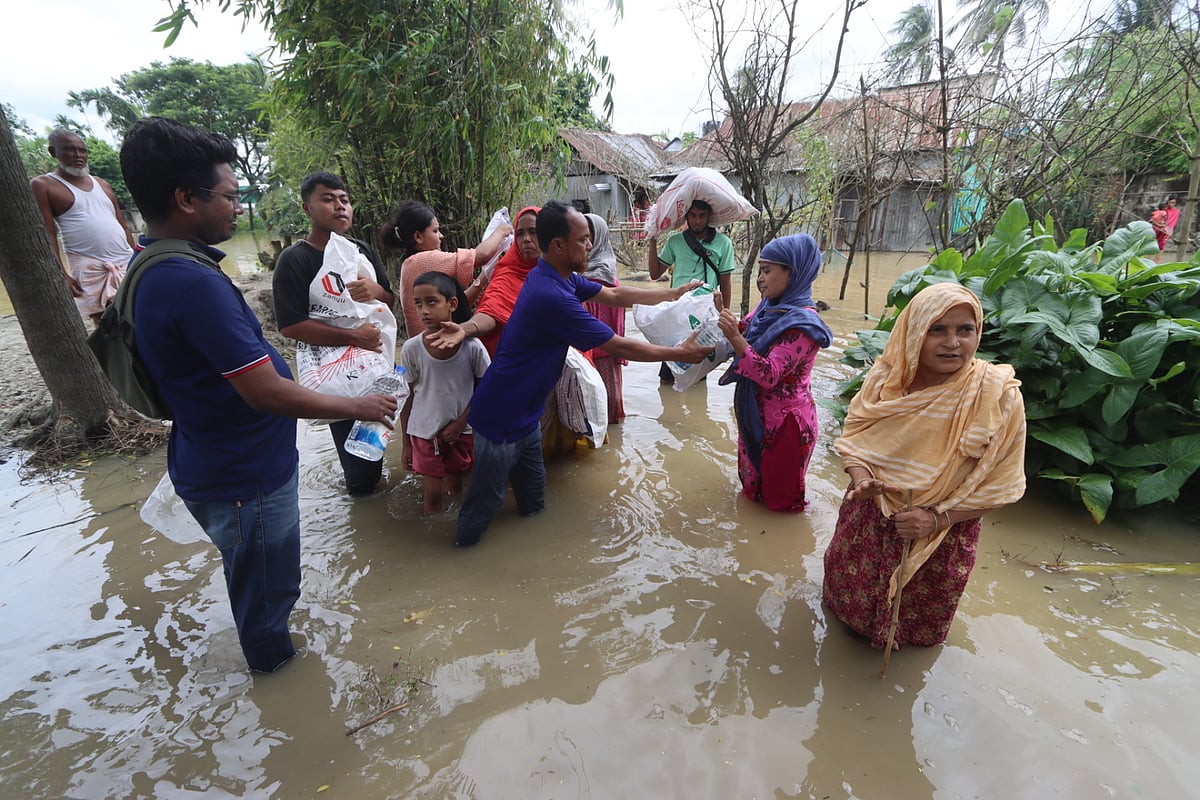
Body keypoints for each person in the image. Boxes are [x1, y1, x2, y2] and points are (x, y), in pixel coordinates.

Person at [119, 117, 397, 672]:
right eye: (227, 196)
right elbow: (266, 391)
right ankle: (283, 695)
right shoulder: (193, 283)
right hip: (245, 477)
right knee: (268, 602)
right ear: (185, 198)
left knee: (260, 588)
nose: (237, 208)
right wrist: (359, 406)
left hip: (215, 457)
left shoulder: (155, 265)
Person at [431, 200, 714, 548]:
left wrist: (670, 294)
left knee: (534, 504)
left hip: (528, 417)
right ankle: (460, 563)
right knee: (483, 506)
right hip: (501, 421)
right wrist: (679, 353)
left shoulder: (557, 275)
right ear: (559, 246)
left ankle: (532, 556)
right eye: (583, 239)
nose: (589, 246)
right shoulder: (552, 296)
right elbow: (619, 346)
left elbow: (613, 293)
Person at [822, 282, 1027, 649]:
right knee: (847, 614)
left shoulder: (997, 395)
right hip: (869, 520)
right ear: (915, 331)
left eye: (965, 329)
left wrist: (934, 520)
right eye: (938, 329)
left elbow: (1002, 485)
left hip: (942, 532)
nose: (953, 342)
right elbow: (855, 437)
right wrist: (863, 478)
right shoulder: (887, 381)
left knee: (915, 631)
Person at [272, 172, 396, 497]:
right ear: (306, 208)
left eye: (344, 199)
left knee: (377, 436)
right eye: (328, 199)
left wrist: (377, 291)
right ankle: (362, 497)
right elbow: (290, 325)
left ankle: (368, 500)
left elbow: (390, 301)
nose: (340, 206)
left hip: (373, 360)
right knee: (354, 452)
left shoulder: (360, 250)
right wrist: (355, 337)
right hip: (336, 371)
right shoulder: (295, 259)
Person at [715, 234, 832, 512]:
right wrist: (723, 315)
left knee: (781, 502)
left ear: (792, 272)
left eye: (767, 270)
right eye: (760, 270)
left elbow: (769, 374)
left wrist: (733, 336)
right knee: (754, 487)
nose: (761, 278)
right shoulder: (769, 306)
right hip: (756, 414)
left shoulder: (803, 325)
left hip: (785, 426)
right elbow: (745, 329)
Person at [399, 271, 491, 513]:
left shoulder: (472, 347)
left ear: (452, 304)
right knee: (433, 496)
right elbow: (405, 397)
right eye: (418, 304)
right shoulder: (411, 349)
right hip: (424, 432)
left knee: (457, 486)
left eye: (432, 302)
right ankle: (431, 545)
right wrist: (406, 443)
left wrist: (462, 422)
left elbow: (486, 388)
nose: (424, 311)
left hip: (462, 431)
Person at [30, 129, 136, 325]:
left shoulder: (102, 184)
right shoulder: (43, 185)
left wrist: (136, 257)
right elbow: (48, 234)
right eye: (70, 150)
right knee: (106, 323)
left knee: (140, 312)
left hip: (124, 260)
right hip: (89, 266)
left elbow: (122, 225)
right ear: (53, 152)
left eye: (82, 150)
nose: (79, 156)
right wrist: (62, 274)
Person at [380, 200, 512, 338]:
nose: (441, 236)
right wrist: (502, 230)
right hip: (435, 351)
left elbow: (458, 304)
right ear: (418, 236)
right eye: (435, 231)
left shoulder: (413, 263)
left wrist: (484, 276)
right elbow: (481, 256)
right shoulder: (422, 261)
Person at [647, 198, 735, 382]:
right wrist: (652, 240)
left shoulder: (723, 244)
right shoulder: (675, 241)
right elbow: (655, 274)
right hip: (677, 312)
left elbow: (725, 282)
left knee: (698, 371)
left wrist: (724, 313)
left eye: (702, 216)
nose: (697, 221)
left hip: (704, 315)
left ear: (709, 216)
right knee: (668, 372)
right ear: (686, 216)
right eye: (693, 215)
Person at [473, 205, 541, 356]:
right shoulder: (507, 272)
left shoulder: (560, 273)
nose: (527, 240)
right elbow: (492, 309)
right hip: (512, 359)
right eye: (520, 234)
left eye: (533, 232)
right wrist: (466, 329)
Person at [582, 213, 627, 423]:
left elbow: (616, 323)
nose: (587, 244)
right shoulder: (572, 274)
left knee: (608, 410)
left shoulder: (607, 277)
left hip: (605, 354)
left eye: (590, 237)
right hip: (582, 353)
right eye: (582, 238)